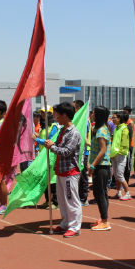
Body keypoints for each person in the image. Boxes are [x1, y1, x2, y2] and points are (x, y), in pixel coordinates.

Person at [45, 102, 83, 238]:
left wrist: (52, 147)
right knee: (62, 200)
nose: (55, 117)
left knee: (71, 199)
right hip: (61, 170)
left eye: (57, 114)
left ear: (65, 115)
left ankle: (75, 226)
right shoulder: (62, 130)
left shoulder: (73, 133)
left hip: (70, 171)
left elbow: (67, 151)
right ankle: (66, 222)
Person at [89, 106, 112, 231]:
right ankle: (103, 218)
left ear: (98, 115)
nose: (91, 114)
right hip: (101, 166)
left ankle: (105, 221)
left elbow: (103, 150)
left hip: (101, 166)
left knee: (100, 194)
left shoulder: (101, 131)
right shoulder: (99, 129)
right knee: (101, 193)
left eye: (93, 112)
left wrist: (93, 165)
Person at [110, 111, 131, 200]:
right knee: (116, 175)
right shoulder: (116, 129)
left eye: (114, 118)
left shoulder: (124, 128)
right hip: (114, 154)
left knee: (119, 175)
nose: (112, 119)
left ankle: (127, 193)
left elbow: (125, 143)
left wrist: (120, 152)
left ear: (120, 119)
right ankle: (118, 192)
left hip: (120, 155)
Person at [73, 100, 90, 206]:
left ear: (79, 109)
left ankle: (84, 199)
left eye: (74, 107)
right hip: (77, 153)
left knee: (83, 176)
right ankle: (78, 197)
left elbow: (85, 137)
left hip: (84, 153)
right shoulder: (77, 120)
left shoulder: (84, 121)